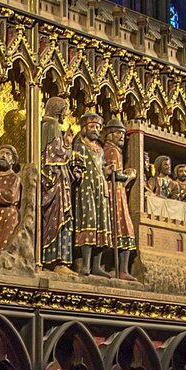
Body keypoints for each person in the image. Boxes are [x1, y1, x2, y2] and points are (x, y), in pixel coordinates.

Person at [72, 112, 112, 277]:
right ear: (84, 128)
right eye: (91, 127)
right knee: (88, 221)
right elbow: (75, 162)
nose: (95, 130)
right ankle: (85, 265)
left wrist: (109, 171)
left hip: (100, 188)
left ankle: (97, 265)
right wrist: (76, 171)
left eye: (97, 127)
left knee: (101, 222)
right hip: (86, 186)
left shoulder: (100, 149)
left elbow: (102, 167)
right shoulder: (80, 145)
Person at [40, 96, 76, 272]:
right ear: (59, 111)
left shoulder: (44, 125)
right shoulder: (52, 125)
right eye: (65, 111)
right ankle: (57, 260)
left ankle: (52, 259)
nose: (65, 116)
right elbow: (55, 153)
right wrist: (68, 146)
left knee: (56, 218)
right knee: (60, 217)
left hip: (54, 178)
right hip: (56, 181)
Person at [102, 118, 137, 280]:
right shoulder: (111, 150)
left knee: (123, 227)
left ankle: (120, 269)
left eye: (123, 134)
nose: (121, 136)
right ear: (109, 135)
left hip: (118, 192)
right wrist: (129, 176)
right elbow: (113, 174)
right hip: (114, 192)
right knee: (120, 226)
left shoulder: (114, 150)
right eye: (118, 133)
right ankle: (118, 269)